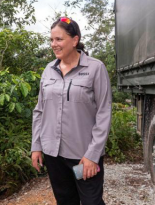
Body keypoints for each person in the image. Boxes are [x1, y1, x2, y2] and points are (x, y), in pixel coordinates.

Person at [31, 17, 112, 205]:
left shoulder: (95, 68)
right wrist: (36, 146)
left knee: (92, 202)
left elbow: (104, 113)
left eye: (59, 39)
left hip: (83, 154)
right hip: (54, 154)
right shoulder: (48, 70)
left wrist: (93, 155)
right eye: (51, 40)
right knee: (66, 201)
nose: (54, 44)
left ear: (75, 40)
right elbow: (39, 111)